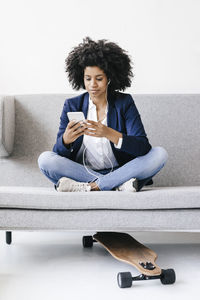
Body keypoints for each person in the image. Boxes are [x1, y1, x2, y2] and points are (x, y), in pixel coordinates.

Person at [38, 37, 168, 192]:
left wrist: (110, 133)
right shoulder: (72, 105)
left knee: (160, 154)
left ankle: (93, 186)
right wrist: (66, 140)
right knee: (45, 159)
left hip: (121, 170)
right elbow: (58, 154)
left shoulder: (124, 102)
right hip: (84, 172)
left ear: (109, 79)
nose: (93, 84)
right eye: (88, 79)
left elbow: (143, 148)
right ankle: (117, 185)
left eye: (99, 79)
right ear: (81, 78)